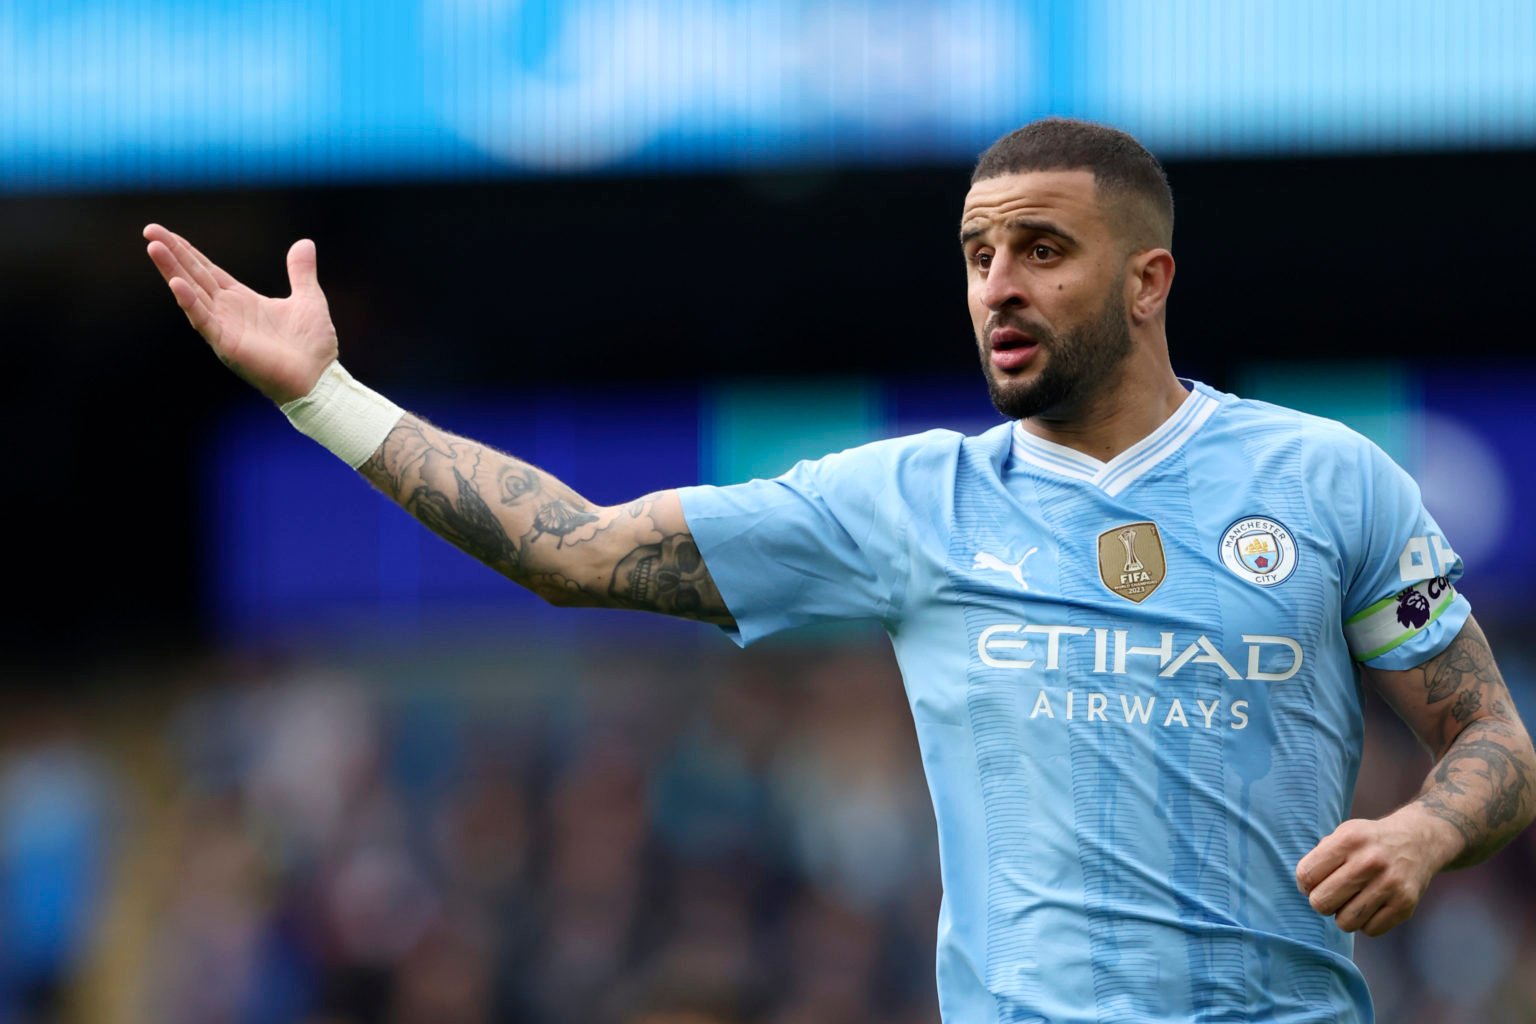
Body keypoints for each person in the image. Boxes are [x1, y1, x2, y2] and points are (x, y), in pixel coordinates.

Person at [145, 117, 1535, 1022]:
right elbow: (571, 550)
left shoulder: (1326, 480)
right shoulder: (910, 501)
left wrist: (1424, 829)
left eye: (1042, 250)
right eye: (978, 252)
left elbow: (1490, 740)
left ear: (1149, 279)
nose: (998, 282)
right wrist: (324, 397)